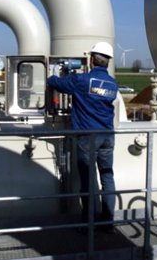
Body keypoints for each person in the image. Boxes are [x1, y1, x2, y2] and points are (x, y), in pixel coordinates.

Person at [47, 41, 118, 231]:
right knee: (107, 178)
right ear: (108, 62)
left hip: (88, 137)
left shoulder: (82, 81)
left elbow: (55, 83)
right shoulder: (113, 84)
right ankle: (108, 222)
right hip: (108, 136)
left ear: (92, 59)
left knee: (87, 182)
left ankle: (88, 224)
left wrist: (54, 74)